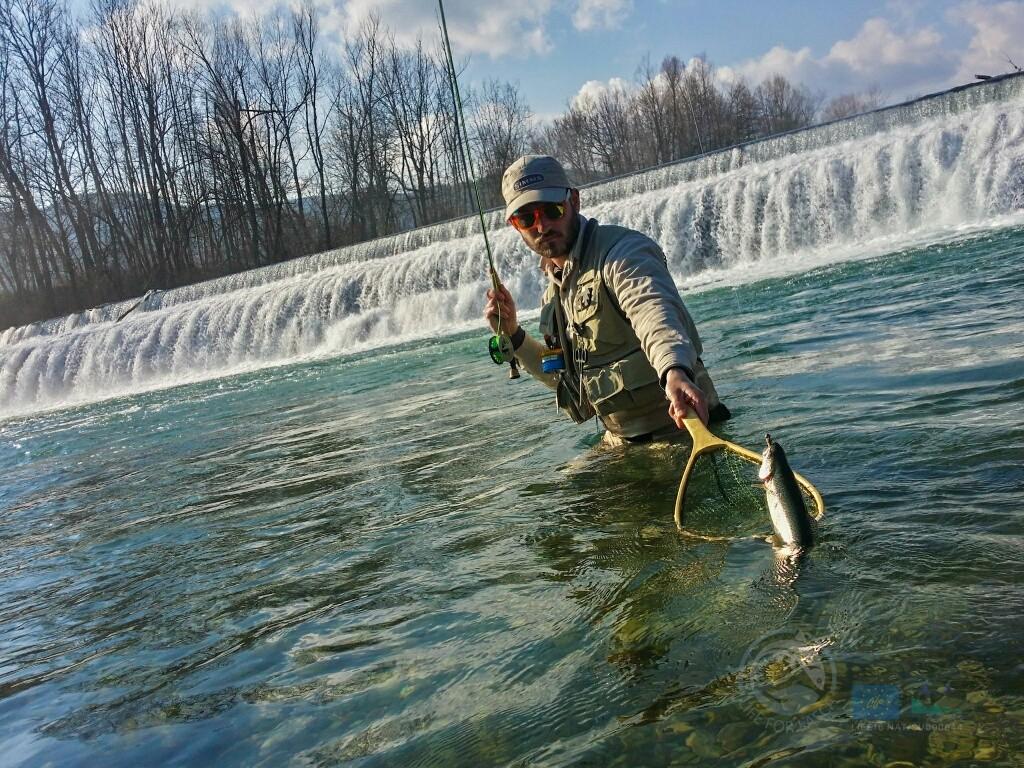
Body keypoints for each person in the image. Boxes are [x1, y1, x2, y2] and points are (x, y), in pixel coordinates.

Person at [484, 154, 730, 445]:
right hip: (619, 441)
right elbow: (565, 380)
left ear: (574, 201)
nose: (542, 226)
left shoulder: (624, 253)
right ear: (516, 226)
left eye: (552, 210)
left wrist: (674, 371)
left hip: (686, 431)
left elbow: (653, 311)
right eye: (527, 218)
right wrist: (514, 336)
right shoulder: (552, 297)